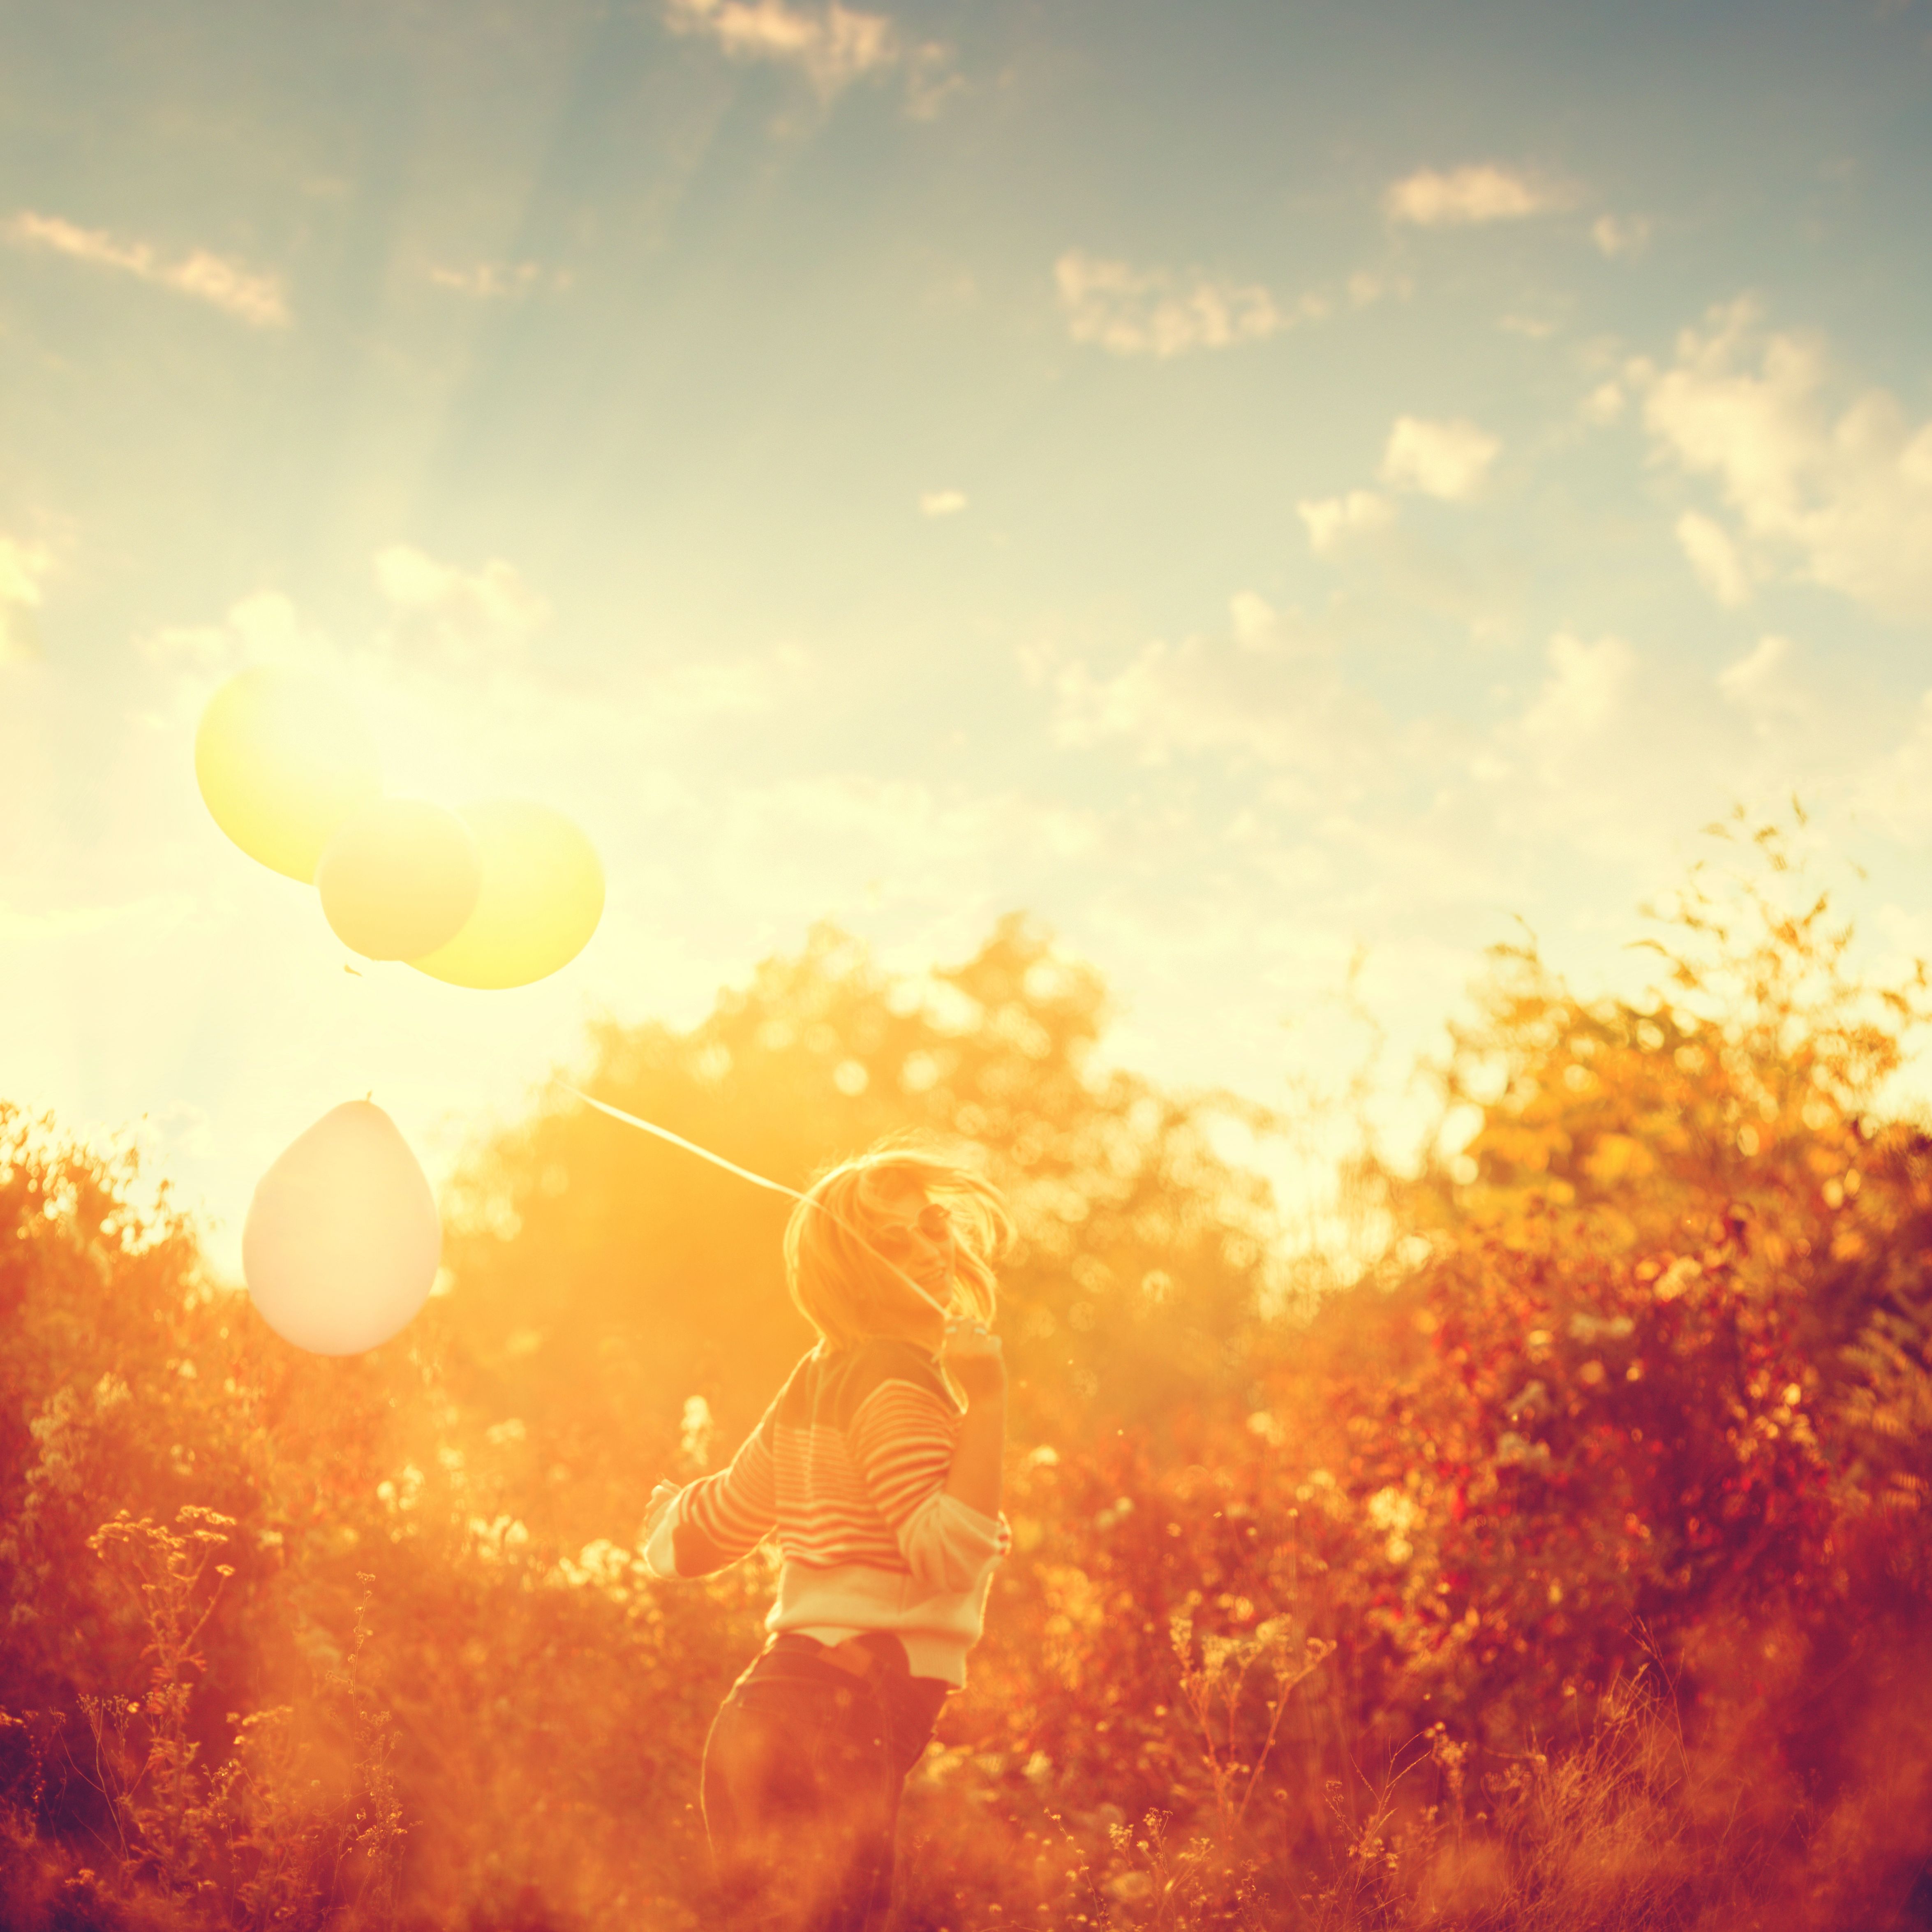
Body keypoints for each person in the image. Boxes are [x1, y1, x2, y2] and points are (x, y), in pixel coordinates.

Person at [640, 1137, 1014, 1931]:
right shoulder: (896, 1382)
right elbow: (944, 1554)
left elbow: (711, 1533)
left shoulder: (818, 1377)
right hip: (839, 1718)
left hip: (762, 1716)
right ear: (851, 1271)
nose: (929, 1247)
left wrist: (666, 1523)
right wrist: (987, 1403)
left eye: (934, 1222)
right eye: (893, 1240)